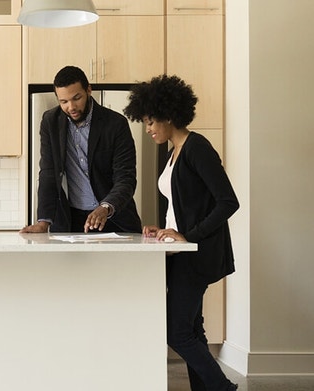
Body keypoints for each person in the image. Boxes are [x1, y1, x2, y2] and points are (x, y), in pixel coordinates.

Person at [123, 74, 239, 391]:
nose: (147, 129)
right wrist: (165, 231)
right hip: (181, 252)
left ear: (169, 115)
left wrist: (190, 237)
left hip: (195, 253)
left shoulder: (197, 147)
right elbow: (185, 204)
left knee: (178, 333)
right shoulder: (174, 152)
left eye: (150, 122)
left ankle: (224, 388)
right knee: (192, 329)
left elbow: (228, 202)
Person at [21, 65, 141, 233]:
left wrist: (105, 207)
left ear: (88, 90)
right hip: (71, 221)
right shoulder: (50, 122)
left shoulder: (115, 124)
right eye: (64, 101)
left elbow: (126, 178)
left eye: (76, 98)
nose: (71, 107)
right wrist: (43, 222)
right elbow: (48, 173)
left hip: (113, 218)